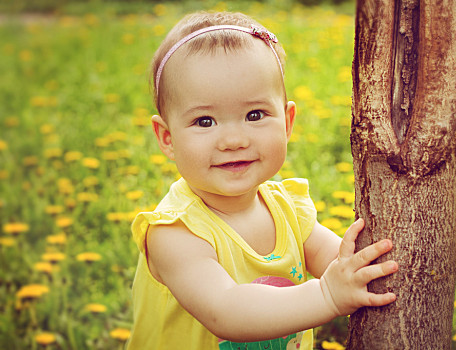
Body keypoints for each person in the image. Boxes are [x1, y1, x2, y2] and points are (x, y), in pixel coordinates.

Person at [127, 10, 398, 350]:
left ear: (287, 122)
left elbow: (340, 262)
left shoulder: (288, 208)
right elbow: (224, 311)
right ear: (167, 138)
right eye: (205, 121)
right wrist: (327, 295)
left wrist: (355, 271)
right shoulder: (174, 232)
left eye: (254, 115)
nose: (233, 140)